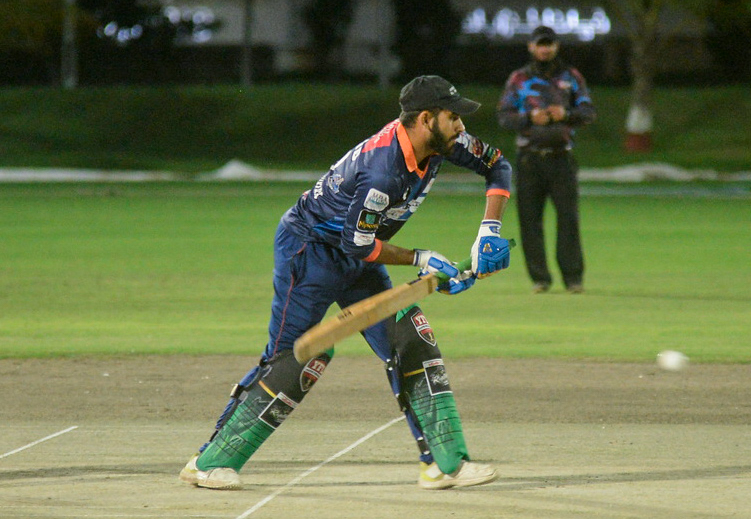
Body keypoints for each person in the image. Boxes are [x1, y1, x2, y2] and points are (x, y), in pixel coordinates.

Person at [179, 75, 513, 491]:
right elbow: (358, 245)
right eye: (453, 117)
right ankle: (209, 461)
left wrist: (489, 230)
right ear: (426, 119)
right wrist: (421, 258)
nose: (461, 125)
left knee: (409, 336)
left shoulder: (444, 141)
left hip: (359, 252)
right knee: (295, 358)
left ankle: (444, 465)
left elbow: (498, 164)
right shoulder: (383, 170)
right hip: (310, 252)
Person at [496, 25, 597, 293]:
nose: (545, 49)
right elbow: (504, 116)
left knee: (568, 219)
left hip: (561, 158)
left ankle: (573, 279)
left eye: (549, 44)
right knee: (530, 221)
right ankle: (540, 279)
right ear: (531, 47)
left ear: (556, 47)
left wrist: (565, 114)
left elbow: (588, 112)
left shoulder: (571, 76)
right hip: (529, 159)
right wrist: (530, 118)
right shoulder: (519, 78)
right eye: (540, 44)